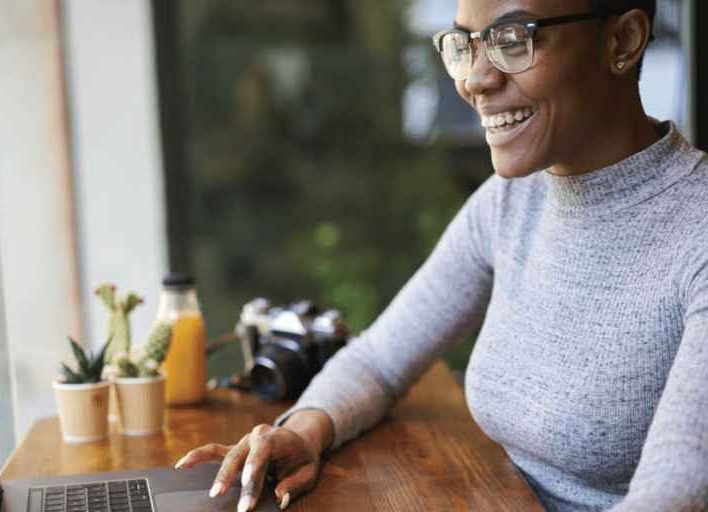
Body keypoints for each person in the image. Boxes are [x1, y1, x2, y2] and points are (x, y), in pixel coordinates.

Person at [175, 0, 708, 510]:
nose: (474, 78)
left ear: (623, 39)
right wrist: (305, 429)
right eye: (465, 43)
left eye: (512, 39)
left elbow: (672, 500)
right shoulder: (511, 203)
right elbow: (381, 357)